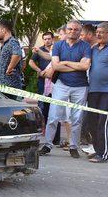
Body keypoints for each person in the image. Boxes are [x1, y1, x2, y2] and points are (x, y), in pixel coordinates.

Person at [39, 20, 92, 158]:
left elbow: (85, 66)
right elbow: (56, 66)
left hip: (80, 86)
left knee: (76, 118)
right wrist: (76, 65)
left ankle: (73, 146)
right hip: (61, 85)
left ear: (80, 32)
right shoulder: (58, 45)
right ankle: (48, 144)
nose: (73, 31)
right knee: (53, 116)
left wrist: (66, 62)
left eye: (76, 29)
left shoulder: (85, 46)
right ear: (66, 30)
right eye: (70, 29)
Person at [86, 22, 108, 163]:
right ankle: (98, 150)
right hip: (93, 90)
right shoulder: (93, 49)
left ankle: (103, 154)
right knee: (92, 122)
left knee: (104, 123)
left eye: (101, 32)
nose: (98, 34)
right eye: (97, 32)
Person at [29, 32, 54, 125]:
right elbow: (31, 62)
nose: (47, 41)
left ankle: (50, 125)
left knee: (53, 104)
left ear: (52, 39)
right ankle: (42, 125)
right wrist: (39, 71)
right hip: (42, 80)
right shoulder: (39, 50)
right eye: (45, 39)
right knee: (42, 104)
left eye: (49, 39)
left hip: (54, 81)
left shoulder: (56, 50)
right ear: (43, 40)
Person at [0, 20, 23, 89]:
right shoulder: (6, 43)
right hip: (4, 86)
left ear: (3, 30)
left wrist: (9, 68)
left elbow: (17, 54)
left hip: (10, 86)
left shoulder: (12, 41)